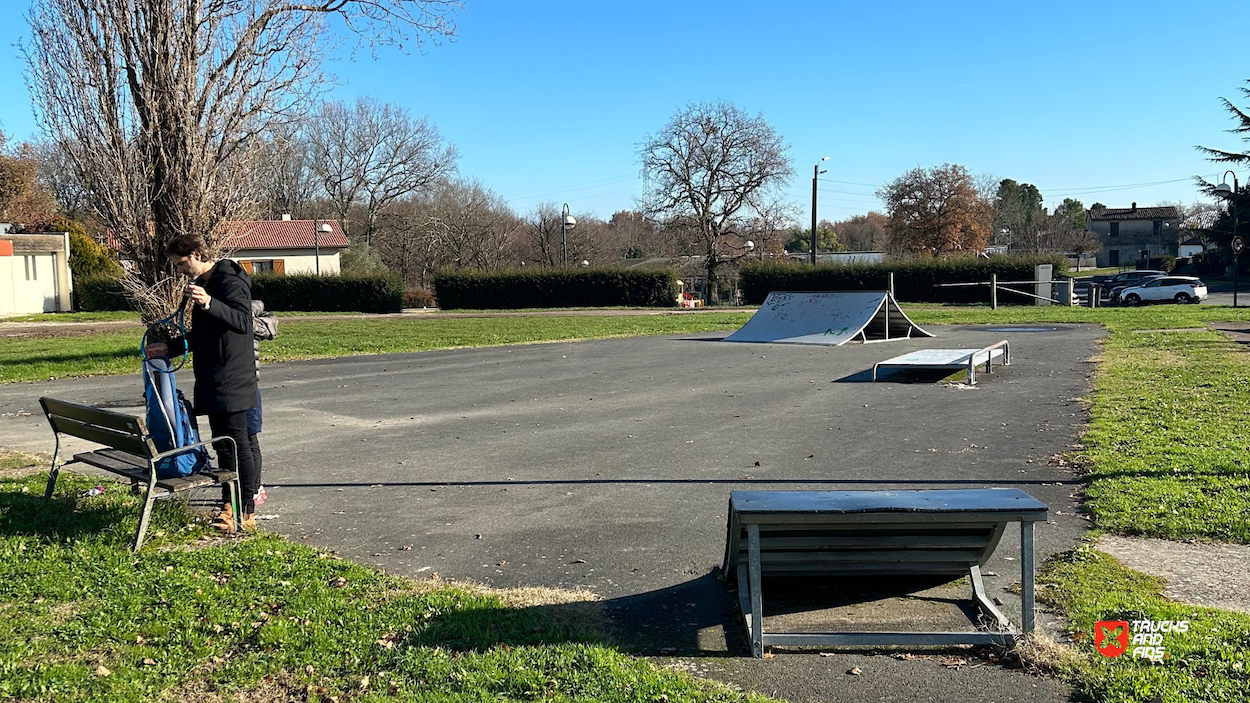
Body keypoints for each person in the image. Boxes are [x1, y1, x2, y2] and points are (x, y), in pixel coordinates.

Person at [145, 234, 259, 531]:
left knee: (236, 446)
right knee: (226, 447)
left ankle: (243, 511)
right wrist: (169, 347)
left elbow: (243, 322)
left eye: (181, 263)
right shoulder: (205, 284)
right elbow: (204, 335)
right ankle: (230, 506)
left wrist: (209, 303)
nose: (179, 269)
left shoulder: (229, 279)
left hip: (231, 377)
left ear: (196, 254)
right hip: (212, 376)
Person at [249, 300, 278, 506]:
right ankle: (249, 485)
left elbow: (260, 310)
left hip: (249, 385)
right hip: (238, 385)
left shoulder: (248, 316)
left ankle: (255, 485)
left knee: (250, 438)